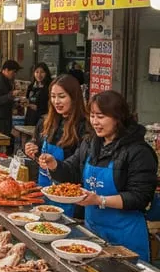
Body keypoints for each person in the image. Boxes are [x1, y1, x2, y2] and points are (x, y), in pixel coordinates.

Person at [39, 90, 157, 261]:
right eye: (92, 116)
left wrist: (99, 200)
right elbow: (72, 171)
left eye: (100, 117)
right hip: (93, 233)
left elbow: (140, 197)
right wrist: (54, 164)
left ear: (118, 117)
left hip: (126, 237)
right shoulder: (90, 143)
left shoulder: (138, 152)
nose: (95, 122)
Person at [24, 74, 88, 217]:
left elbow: (79, 168)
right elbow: (38, 147)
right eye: (53, 96)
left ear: (74, 97)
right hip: (44, 192)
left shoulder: (84, 127)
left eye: (62, 96)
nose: (56, 101)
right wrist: (32, 148)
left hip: (70, 198)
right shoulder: (46, 121)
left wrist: (56, 165)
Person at [0, 60, 20, 137]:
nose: (14, 74)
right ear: (6, 70)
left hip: (5, 118)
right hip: (0, 119)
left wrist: (16, 102)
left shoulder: (7, 80)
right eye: (13, 72)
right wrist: (11, 95)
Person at [24, 63, 52, 127]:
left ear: (46, 73)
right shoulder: (31, 87)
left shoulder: (50, 87)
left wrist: (37, 108)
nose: (39, 75)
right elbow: (28, 99)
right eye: (36, 72)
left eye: (42, 72)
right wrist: (25, 102)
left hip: (43, 119)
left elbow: (51, 105)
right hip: (30, 118)